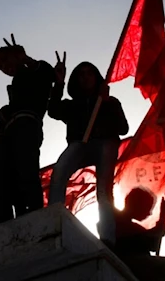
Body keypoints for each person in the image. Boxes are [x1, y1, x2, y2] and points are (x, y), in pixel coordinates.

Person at [47, 54, 129, 246]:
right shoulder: (71, 105)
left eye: (89, 73)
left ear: (96, 77)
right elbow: (53, 110)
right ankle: (54, 226)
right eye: (81, 75)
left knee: (103, 189)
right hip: (79, 144)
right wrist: (58, 84)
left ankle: (108, 238)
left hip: (105, 143)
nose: (85, 77)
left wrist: (107, 102)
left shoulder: (110, 101)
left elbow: (123, 128)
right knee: (59, 173)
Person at [0, 34, 56, 226]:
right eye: (0, 67)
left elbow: (49, 74)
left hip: (27, 126)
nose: (5, 68)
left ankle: (35, 215)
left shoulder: (35, 71)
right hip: (10, 132)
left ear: (15, 55)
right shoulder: (14, 87)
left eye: (6, 61)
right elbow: (4, 122)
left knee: (26, 171)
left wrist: (25, 59)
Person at [114, 187, 165, 281]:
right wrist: (162, 216)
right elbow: (147, 240)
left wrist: (163, 215)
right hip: (125, 260)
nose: (149, 213)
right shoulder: (116, 218)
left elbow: (153, 244)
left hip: (134, 263)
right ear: (137, 204)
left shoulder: (134, 226)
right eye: (147, 207)